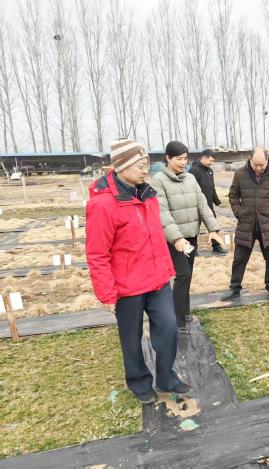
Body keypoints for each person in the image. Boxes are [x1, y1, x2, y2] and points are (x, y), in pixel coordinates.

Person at [85, 137, 191, 404]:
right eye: (140, 165)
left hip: (157, 280)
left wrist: (167, 267)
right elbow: (97, 253)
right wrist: (107, 293)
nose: (146, 170)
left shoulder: (148, 195)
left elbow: (155, 236)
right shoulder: (103, 204)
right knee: (131, 338)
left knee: (168, 328)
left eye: (147, 164)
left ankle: (166, 377)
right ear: (121, 166)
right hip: (127, 286)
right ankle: (139, 382)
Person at [151, 141, 222, 332]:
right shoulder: (158, 180)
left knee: (187, 275)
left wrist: (213, 229)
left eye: (185, 159)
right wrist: (176, 238)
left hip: (191, 236)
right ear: (168, 158)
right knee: (182, 274)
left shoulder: (190, 178)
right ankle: (177, 319)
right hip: (174, 239)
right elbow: (162, 213)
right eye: (179, 159)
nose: (183, 162)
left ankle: (184, 312)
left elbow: (202, 204)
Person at [221, 148, 269, 301]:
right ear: (250, 159)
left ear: (267, 160)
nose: (258, 168)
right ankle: (234, 288)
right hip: (246, 224)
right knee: (239, 258)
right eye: (255, 164)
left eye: (261, 165)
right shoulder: (240, 174)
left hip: (268, 224)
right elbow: (233, 196)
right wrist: (239, 212)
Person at [188, 148, 227, 255]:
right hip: (196, 205)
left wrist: (216, 201)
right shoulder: (194, 170)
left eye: (213, 161)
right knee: (194, 228)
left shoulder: (210, 171)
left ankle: (216, 246)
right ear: (204, 157)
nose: (212, 163)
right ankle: (192, 250)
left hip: (208, 205)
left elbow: (211, 187)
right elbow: (190, 188)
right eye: (211, 160)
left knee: (213, 225)